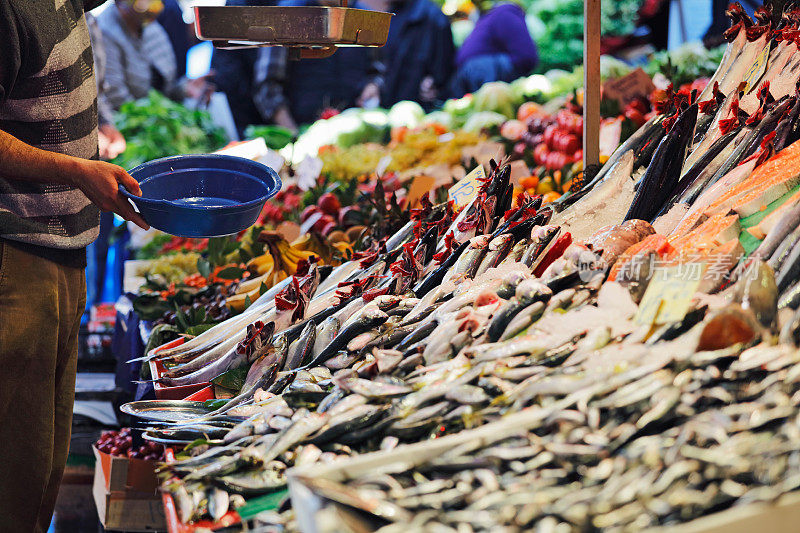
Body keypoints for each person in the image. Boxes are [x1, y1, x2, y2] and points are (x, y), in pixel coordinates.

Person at [0, 1, 149, 531]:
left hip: (63, 252)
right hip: (15, 256)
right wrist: (74, 171)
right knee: (13, 473)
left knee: (43, 463)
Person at [252, 0, 380, 131]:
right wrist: (293, 134)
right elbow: (268, 87)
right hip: (303, 131)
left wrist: (372, 86)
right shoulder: (288, 14)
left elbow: (375, 70)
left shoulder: (361, 15)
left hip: (354, 132)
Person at [97, 0, 213, 110]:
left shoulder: (150, 26)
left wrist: (184, 89)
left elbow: (165, 87)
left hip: (157, 117)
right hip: (127, 121)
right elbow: (117, 99)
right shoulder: (104, 31)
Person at [373, 0, 455, 108]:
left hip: (420, 110)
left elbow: (445, 70)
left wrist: (434, 84)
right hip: (390, 107)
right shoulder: (391, 14)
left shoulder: (434, 18)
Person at [449, 1, 538, 97]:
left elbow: (526, 56)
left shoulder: (505, 12)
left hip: (476, 76)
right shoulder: (497, 14)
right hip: (472, 78)